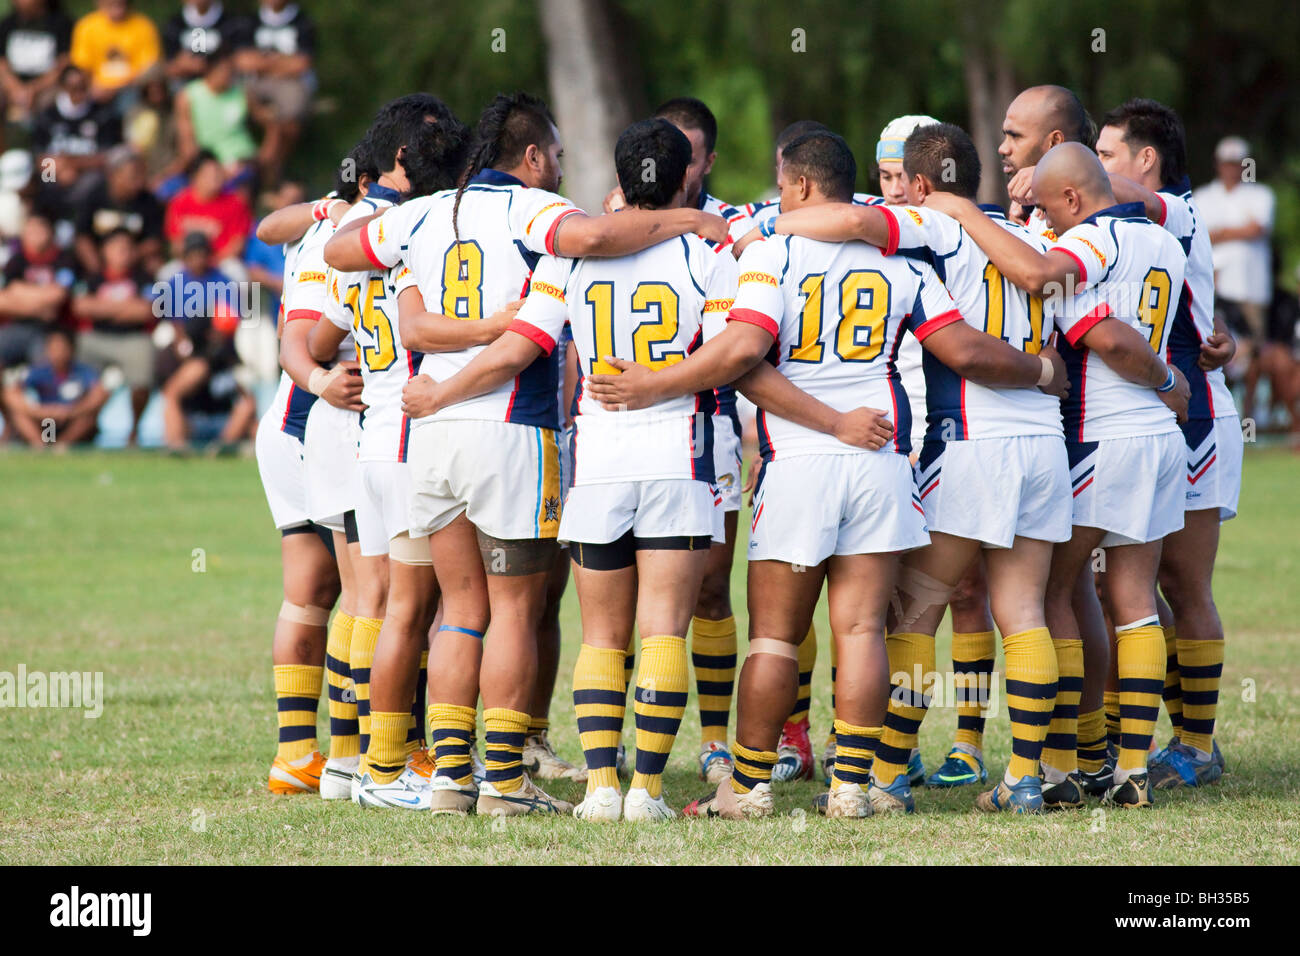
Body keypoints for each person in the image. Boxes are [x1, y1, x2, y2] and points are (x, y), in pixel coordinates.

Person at [585, 130, 1067, 820]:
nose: (781, 198)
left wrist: (659, 383)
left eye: (785, 187)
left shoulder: (771, 254)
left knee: (777, 637)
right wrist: (1044, 371)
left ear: (805, 188)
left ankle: (745, 790)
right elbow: (958, 346)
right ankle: (853, 787)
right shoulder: (906, 264)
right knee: (864, 631)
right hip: (879, 462)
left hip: (802, 463)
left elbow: (745, 356)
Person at [331, 91, 729, 817]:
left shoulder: (420, 213)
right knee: (515, 612)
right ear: (535, 156)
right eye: (556, 157)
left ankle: (451, 777)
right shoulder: (536, 214)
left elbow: (336, 251)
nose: (558, 171)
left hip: (430, 428)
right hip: (513, 430)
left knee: (458, 609)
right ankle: (507, 781)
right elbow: (599, 241)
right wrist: (690, 219)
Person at [769, 122, 1074, 813]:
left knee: (910, 617)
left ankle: (885, 776)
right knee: (1022, 611)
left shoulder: (933, 227)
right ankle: (1025, 778)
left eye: (905, 183)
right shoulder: (1040, 236)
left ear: (922, 184)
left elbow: (843, 220)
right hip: (1043, 445)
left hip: (969, 442)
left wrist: (768, 225)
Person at [925, 142, 1191, 808]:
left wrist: (963, 210)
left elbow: (1059, 292)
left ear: (1073, 198)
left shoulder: (1094, 243)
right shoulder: (1163, 241)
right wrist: (1169, 380)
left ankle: (1057, 765)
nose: (1045, 223)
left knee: (1051, 595)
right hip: (1158, 440)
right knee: (1132, 600)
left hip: (1108, 433)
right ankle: (1129, 768)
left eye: (1048, 208)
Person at [309, 101, 470, 811]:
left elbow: (318, 338)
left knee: (380, 605)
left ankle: (354, 762)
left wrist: (329, 378)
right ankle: (386, 765)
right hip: (409, 435)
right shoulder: (421, 233)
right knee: (418, 609)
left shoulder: (352, 230)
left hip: (368, 435)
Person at [1095, 99, 1241, 790]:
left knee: (1183, 584)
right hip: (1152, 421)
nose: (1097, 171)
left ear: (1145, 160)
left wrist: (1051, 171)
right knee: (1125, 587)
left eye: (1105, 154)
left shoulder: (1176, 209)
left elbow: (1119, 196)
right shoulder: (1123, 226)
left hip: (1199, 421)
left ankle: (1197, 744)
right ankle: (1150, 740)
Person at [254, 155, 359, 797]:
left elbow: (269, 226)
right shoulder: (357, 232)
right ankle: (363, 754)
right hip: (320, 419)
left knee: (308, 595)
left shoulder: (323, 221)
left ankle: (297, 754)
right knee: (378, 592)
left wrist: (323, 208)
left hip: (284, 421)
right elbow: (315, 337)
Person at [1193, 136, 1275, 415]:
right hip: (1214, 290)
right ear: (1219, 165)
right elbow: (1201, 237)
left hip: (1250, 290)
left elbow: (1257, 229)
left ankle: (1249, 417)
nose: (1231, 169)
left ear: (1244, 165)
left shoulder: (1260, 195)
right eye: (1226, 164)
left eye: (1236, 164)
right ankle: (1218, 411)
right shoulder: (1203, 196)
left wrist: (1219, 233)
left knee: (1253, 354)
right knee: (1214, 349)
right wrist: (1237, 230)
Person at [156, 230, 253, 450]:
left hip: (218, 355)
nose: (198, 259)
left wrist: (216, 346)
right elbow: (175, 322)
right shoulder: (175, 281)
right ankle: (176, 445)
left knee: (247, 405)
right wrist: (184, 346)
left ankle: (221, 449)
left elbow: (229, 322)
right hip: (190, 353)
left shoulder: (223, 280)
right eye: (193, 254)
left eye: (202, 253)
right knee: (173, 395)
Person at [69, 228, 156, 445]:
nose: (122, 252)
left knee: (141, 381)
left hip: (133, 339)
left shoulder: (144, 278)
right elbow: (80, 307)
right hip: (96, 339)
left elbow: (146, 311)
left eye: (127, 248)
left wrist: (103, 308)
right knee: (78, 382)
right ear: (104, 251)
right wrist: (124, 309)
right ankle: (80, 430)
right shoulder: (93, 278)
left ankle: (134, 431)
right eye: (117, 247)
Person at [234, 0, 317, 185]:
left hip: (290, 86)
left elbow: (301, 64)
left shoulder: (303, 22)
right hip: (255, 86)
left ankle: (266, 168)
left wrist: (262, 63)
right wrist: (281, 62)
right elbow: (242, 61)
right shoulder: (248, 22)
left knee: (289, 121)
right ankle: (267, 170)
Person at [29, 64, 122, 205]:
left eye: (83, 87)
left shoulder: (102, 115)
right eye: (74, 88)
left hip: (88, 173)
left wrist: (72, 165)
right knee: (47, 177)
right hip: (55, 170)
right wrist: (60, 169)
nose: (79, 93)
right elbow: (39, 155)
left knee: (93, 183)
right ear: (63, 87)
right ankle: (47, 215)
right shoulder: (48, 115)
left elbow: (106, 155)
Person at [3, 326, 107, 448]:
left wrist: (72, 411)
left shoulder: (84, 371)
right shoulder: (38, 370)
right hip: (47, 423)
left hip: (71, 421)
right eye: (53, 347)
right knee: (19, 415)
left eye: (62, 347)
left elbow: (100, 394)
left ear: (71, 349)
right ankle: (40, 446)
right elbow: (10, 393)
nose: (58, 352)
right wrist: (40, 411)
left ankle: (61, 446)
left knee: (89, 418)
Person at [0, 209, 75, 370]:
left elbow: (58, 295)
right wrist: (40, 309)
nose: (35, 234)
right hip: (18, 327)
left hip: (52, 330)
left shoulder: (64, 259)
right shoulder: (17, 260)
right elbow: (3, 299)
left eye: (40, 229)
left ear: (50, 232)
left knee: (47, 368)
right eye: (30, 230)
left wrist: (20, 291)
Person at [73, 146, 165, 276]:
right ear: (113, 175)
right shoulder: (94, 196)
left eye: (141, 175)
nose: (139, 183)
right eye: (133, 177)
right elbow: (82, 236)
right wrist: (97, 268)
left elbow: (154, 240)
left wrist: (127, 256)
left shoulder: (148, 201)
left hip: (134, 262)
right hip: (100, 261)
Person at [163, 149, 252, 276]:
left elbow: (237, 245)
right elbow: (176, 244)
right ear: (195, 177)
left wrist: (210, 262)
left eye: (217, 173)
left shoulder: (235, 203)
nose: (215, 178)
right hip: (188, 262)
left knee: (237, 272)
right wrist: (194, 262)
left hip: (220, 263)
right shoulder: (179, 202)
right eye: (208, 174)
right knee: (167, 274)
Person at [174, 45, 259, 176]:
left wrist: (265, 155)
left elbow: (267, 120)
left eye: (232, 71)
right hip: (207, 163)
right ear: (210, 70)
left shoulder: (242, 93)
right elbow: (187, 143)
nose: (229, 75)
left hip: (243, 160)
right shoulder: (188, 96)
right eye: (225, 70)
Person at [0, 0, 73, 141]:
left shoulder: (61, 23)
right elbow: (2, 62)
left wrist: (33, 89)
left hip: (48, 87)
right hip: (13, 86)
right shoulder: (7, 24)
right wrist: (15, 88)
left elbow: (63, 64)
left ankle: (43, 148)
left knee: (53, 101)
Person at [69, 0, 160, 104]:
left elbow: (149, 68)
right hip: (96, 90)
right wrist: (91, 87)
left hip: (132, 89)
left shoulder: (144, 26)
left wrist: (116, 88)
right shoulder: (86, 27)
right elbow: (81, 67)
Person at [161, 0, 247, 84]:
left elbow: (245, 60)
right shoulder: (173, 26)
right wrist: (179, 64)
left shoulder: (234, 24)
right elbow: (166, 67)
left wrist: (219, 65)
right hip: (185, 87)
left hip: (226, 87)